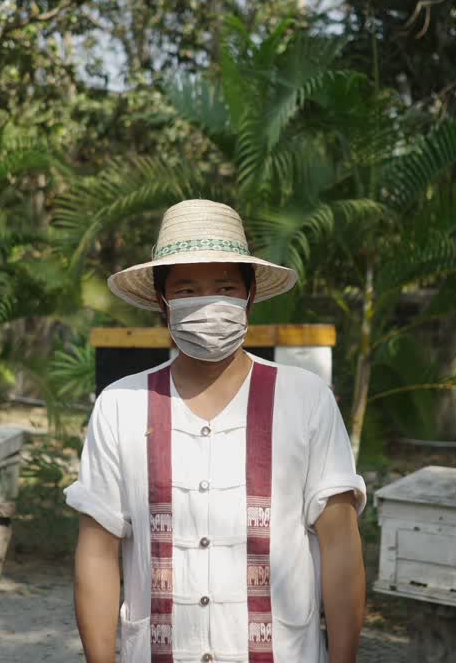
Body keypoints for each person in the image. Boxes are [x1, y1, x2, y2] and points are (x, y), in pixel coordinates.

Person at [66, 199, 367, 663]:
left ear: (248, 296)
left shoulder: (305, 400)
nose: (208, 302)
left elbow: (340, 542)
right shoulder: (119, 406)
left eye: (224, 285)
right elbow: (97, 552)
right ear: (163, 301)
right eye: (187, 288)